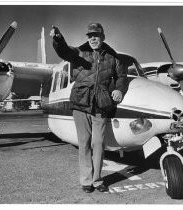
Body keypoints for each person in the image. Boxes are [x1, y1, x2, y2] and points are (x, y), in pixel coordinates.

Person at [50, 23, 128, 193]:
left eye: (96, 35)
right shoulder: (78, 52)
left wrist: (119, 89)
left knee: (99, 143)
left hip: (101, 103)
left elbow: (122, 76)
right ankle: (86, 180)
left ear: (103, 37)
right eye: (90, 35)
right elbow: (63, 50)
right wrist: (57, 39)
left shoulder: (113, 57)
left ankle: (98, 180)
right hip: (81, 102)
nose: (92, 38)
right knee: (84, 143)